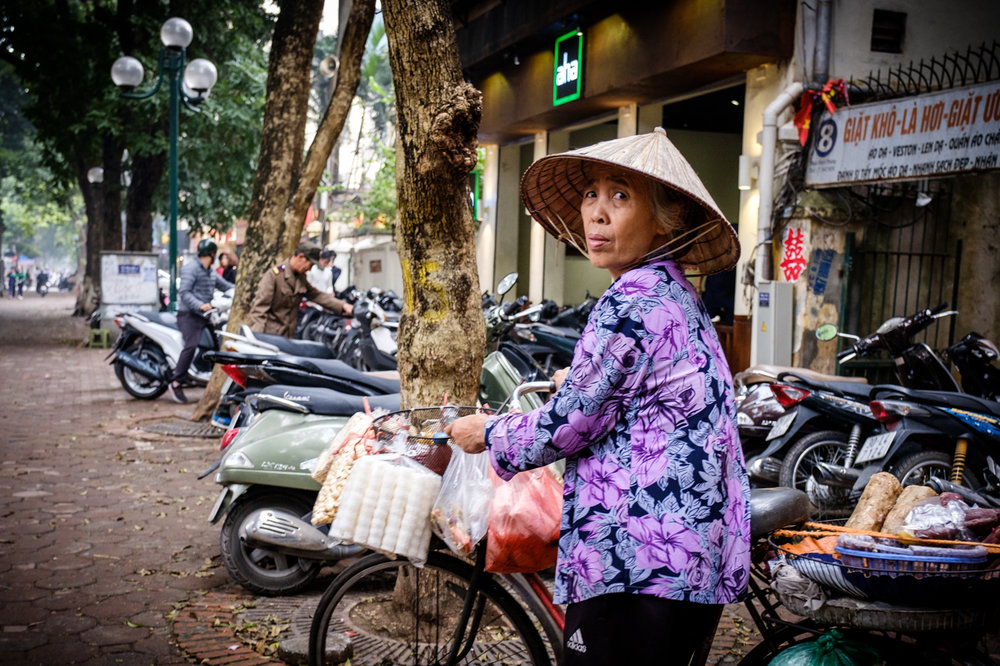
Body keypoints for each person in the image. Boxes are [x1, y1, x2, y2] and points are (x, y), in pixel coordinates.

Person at [444, 128, 750, 665]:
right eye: (592, 194)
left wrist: (486, 432)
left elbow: (567, 425)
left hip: (639, 554)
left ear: (664, 221)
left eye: (621, 196)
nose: (597, 213)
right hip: (686, 550)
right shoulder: (673, 291)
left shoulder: (630, 300)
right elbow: (647, 388)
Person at [167, 239, 234, 404]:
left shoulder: (210, 272)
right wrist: (200, 305)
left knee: (216, 346)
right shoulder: (191, 269)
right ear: (212, 254)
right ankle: (176, 381)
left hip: (205, 316)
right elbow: (184, 292)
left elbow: (225, 286)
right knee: (192, 345)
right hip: (188, 315)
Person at [247, 242, 353, 337]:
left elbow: (317, 295)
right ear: (301, 257)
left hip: (288, 335)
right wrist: (257, 338)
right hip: (270, 336)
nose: (310, 269)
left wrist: (343, 305)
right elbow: (260, 310)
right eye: (310, 264)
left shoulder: (300, 278)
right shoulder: (274, 276)